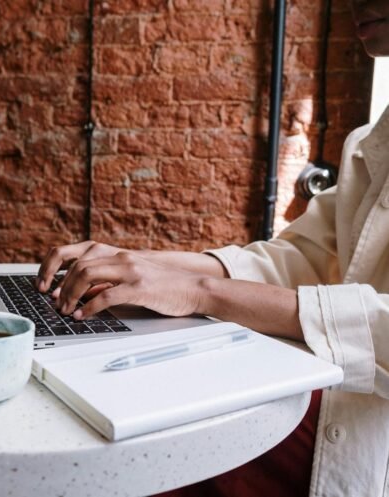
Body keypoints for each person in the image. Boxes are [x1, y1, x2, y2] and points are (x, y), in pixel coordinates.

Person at [36, 1, 389, 495]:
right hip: (333, 399)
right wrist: (142, 263)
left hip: (360, 428)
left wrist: (203, 294)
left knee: (136, 457)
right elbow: (300, 259)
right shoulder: (372, 141)